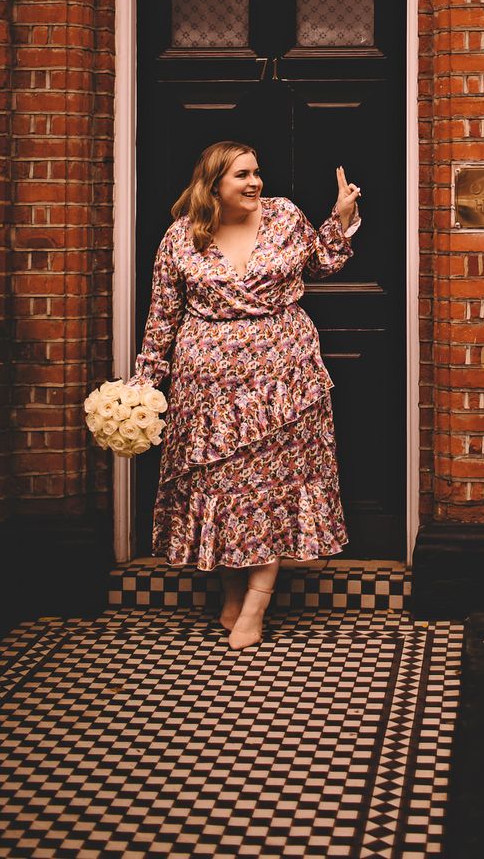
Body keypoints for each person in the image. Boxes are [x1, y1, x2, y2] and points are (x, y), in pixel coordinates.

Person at [131, 141, 361, 650]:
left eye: (257, 172)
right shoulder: (181, 237)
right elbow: (163, 316)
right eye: (242, 176)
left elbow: (322, 263)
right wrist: (145, 382)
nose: (256, 183)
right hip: (207, 390)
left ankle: (256, 605)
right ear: (214, 184)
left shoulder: (284, 218)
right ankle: (231, 591)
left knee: (270, 491)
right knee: (226, 491)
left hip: (283, 382)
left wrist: (341, 218)